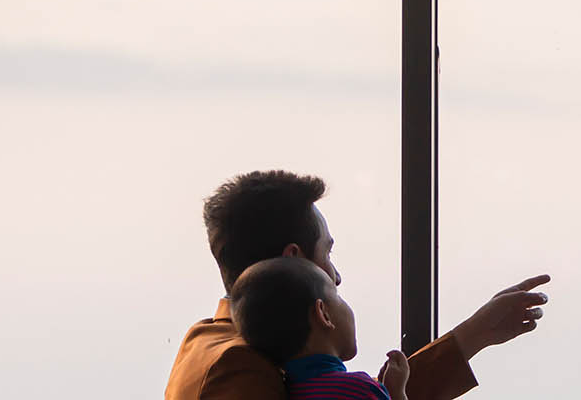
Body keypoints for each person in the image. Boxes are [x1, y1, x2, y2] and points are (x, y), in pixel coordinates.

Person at [167, 170, 556, 400]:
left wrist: (474, 334)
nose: (336, 276)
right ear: (294, 259)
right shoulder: (238, 369)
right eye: (327, 255)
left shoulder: (210, 341)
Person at [231, 255, 410, 400]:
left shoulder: (282, 392)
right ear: (323, 314)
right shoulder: (359, 390)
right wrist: (396, 393)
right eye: (337, 296)